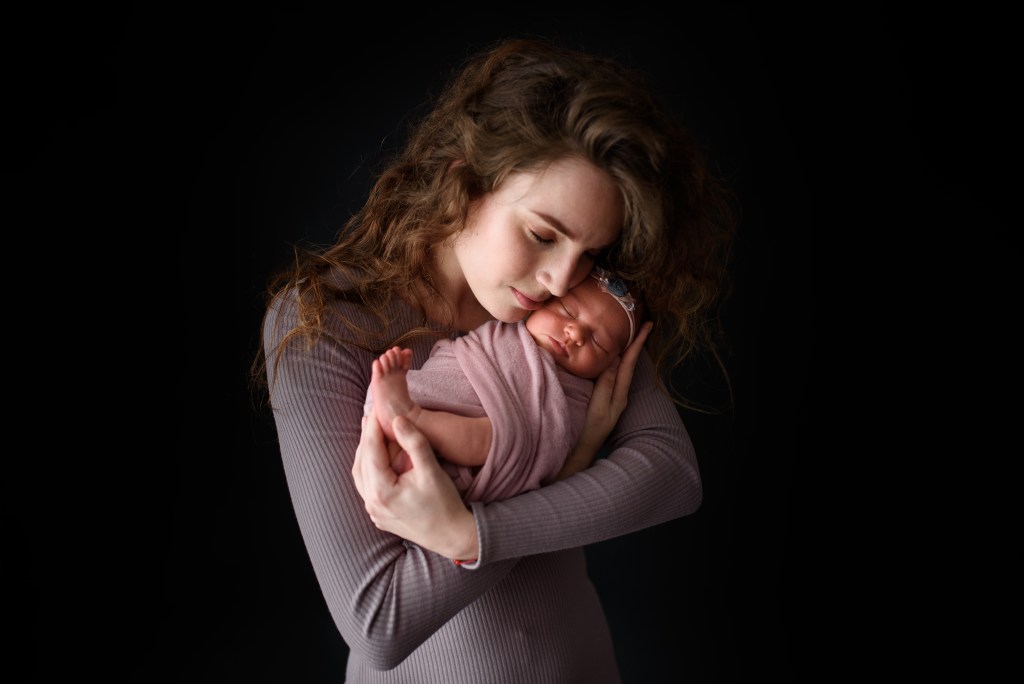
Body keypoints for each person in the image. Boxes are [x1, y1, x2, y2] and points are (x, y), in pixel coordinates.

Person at [256, 36, 735, 683]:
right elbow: (379, 618)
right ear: (463, 181)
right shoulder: (326, 322)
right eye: (542, 235)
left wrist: (472, 537)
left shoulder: (576, 316)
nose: (563, 278)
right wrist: (572, 460)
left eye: (589, 253)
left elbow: (672, 475)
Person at [365, 267, 645, 504]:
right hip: (440, 406)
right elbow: (463, 358)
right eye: (567, 310)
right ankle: (404, 432)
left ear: (611, 364)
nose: (576, 333)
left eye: (598, 342)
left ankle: (413, 418)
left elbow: (550, 442)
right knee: (392, 448)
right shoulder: (503, 327)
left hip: (483, 454)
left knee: (500, 435)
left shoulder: (577, 395)